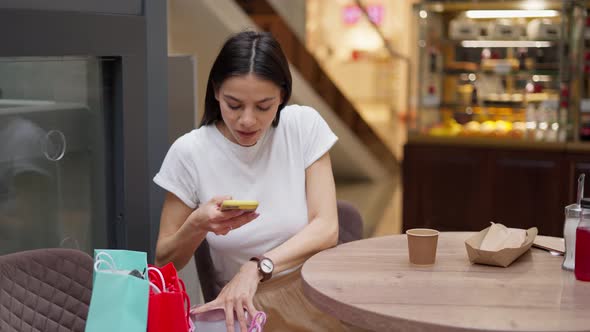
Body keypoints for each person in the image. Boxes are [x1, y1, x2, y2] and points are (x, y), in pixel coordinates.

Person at [154, 31, 355, 331]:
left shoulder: (302, 126)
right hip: (246, 308)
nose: (247, 120)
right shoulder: (190, 152)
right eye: (234, 105)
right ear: (216, 92)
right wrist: (198, 224)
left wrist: (257, 267)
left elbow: (326, 228)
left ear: (283, 97)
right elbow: (164, 260)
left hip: (314, 293)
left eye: (263, 106)